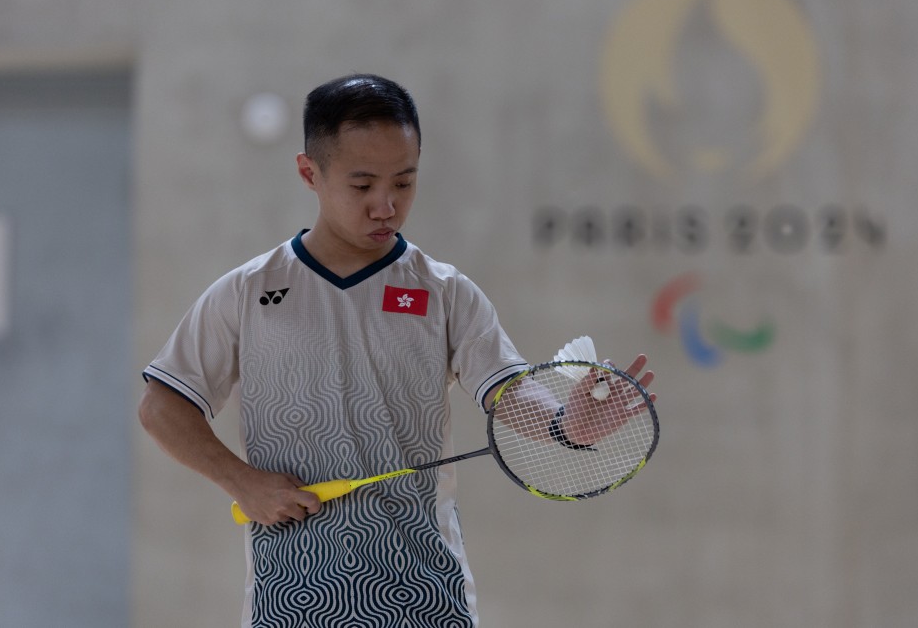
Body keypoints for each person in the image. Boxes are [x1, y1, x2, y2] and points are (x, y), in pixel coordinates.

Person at [138, 73, 654, 628]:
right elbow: (163, 406)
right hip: (288, 600)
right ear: (309, 173)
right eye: (362, 186)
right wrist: (241, 481)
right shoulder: (248, 291)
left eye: (404, 183)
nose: (386, 205)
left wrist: (563, 426)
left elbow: (505, 389)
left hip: (428, 599)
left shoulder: (445, 292)